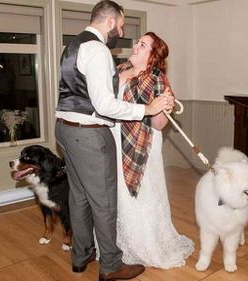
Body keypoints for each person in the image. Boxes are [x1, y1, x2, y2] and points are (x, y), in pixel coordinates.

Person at [54, 1, 174, 281]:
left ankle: (81, 256)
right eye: (120, 25)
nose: (121, 32)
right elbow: (105, 105)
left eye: (142, 44)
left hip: (66, 129)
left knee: (80, 195)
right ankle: (111, 265)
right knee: (104, 202)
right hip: (90, 134)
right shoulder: (97, 50)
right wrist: (147, 108)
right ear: (110, 22)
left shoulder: (73, 46)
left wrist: (160, 107)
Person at [112, 32, 194, 269]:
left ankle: (145, 245)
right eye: (138, 42)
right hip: (113, 140)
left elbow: (159, 125)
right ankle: (116, 244)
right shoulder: (118, 70)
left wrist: (162, 106)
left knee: (143, 195)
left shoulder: (156, 78)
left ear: (152, 56)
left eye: (143, 45)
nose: (136, 46)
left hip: (142, 145)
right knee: (116, 194)